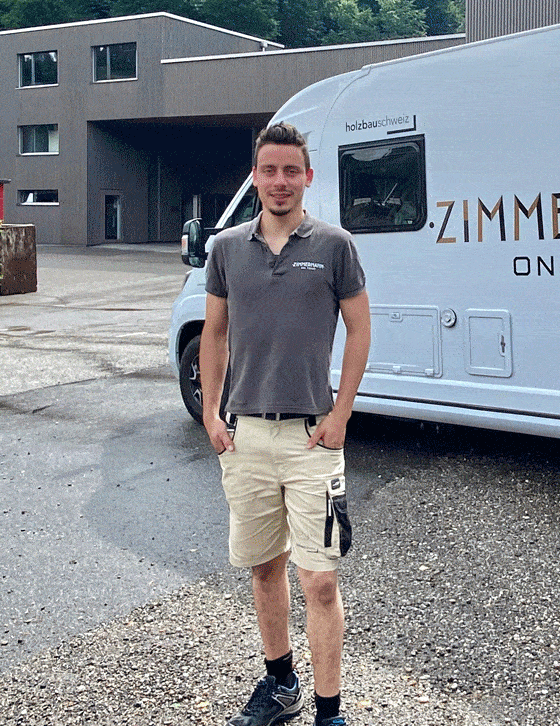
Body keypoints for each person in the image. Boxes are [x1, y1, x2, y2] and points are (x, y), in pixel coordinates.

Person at [200, 121, 371, 726]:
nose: (280, 181)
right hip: (245, 437)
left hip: (310, 438)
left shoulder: (334, 245)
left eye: (290, 171)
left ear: (308, 177)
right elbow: (213, 334)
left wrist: (341, 413)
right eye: (269, 170)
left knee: (319, 580)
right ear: (255, 176)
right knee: (265, 566)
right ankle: (280, 684)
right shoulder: (226, 248)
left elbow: (360, 330)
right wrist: (211, 414)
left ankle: (330, 711)